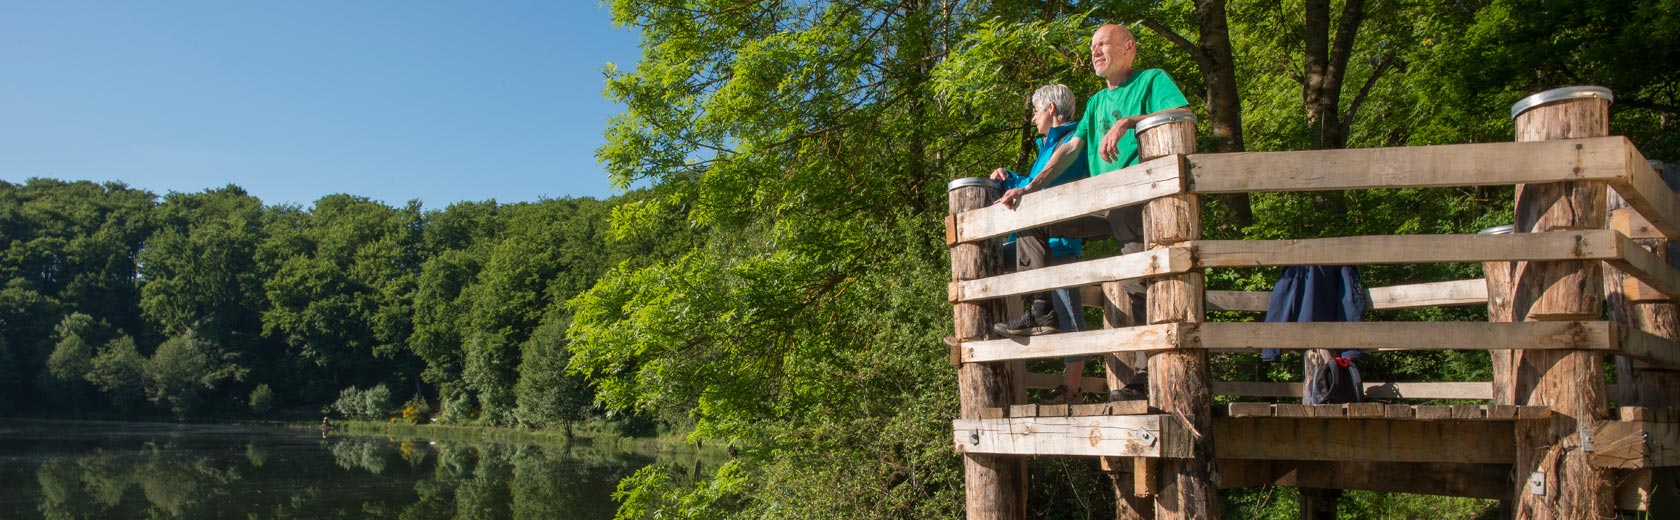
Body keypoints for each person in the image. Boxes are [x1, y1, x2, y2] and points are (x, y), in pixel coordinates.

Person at [992, 23, 1191, 336]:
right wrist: (1029, 187)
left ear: (1129, 47)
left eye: (1103, 44)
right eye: (1092, 47)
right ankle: (1042, 311)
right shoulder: (1096, 102)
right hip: (1101, 205)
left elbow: (1181, 113)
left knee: (1135, 284)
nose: (1095, 52)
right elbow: (1070, 147)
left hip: (1139, 201)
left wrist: (1128, 122)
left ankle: (1138, 381)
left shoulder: (1152, 80)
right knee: (1031, 219)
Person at [988, 84, 1090, 403]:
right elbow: (1033, 185)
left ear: (1050, 109)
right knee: (985, 259)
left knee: (1069, 315)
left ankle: (1071, 391)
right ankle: (995, 330)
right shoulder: (1048, 146)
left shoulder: (1072, 141)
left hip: (1058, 242)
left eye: (1035, 110)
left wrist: (1022, 184)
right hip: (1036, 243)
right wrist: (1009, 178)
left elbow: (1049, 184)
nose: (1033, 118)